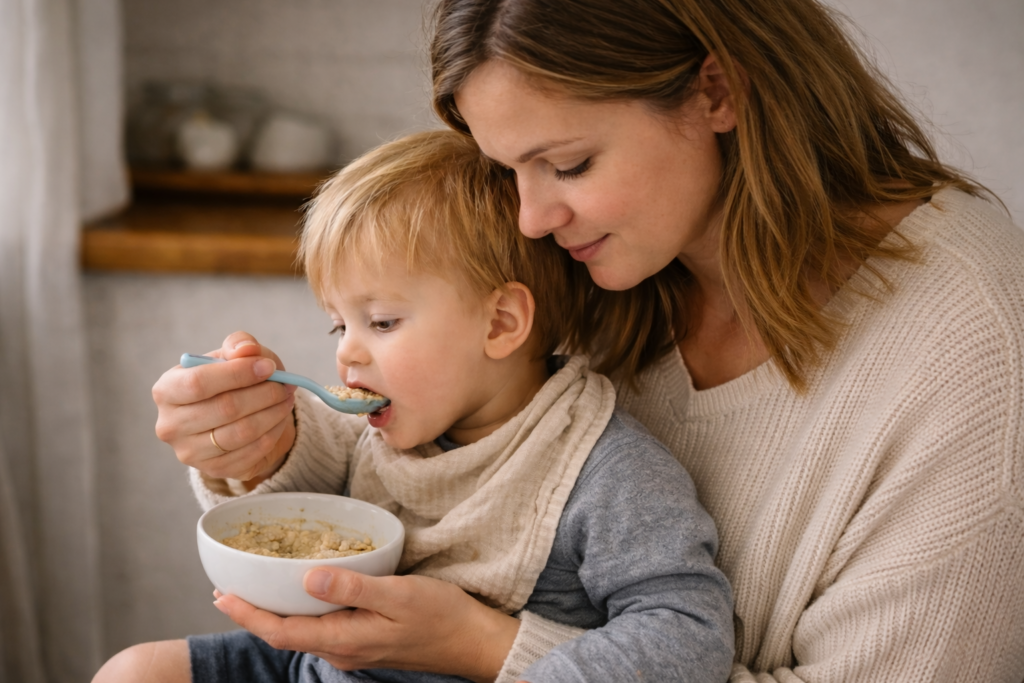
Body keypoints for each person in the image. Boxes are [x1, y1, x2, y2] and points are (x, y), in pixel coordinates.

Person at [113, 0, 1024, 681]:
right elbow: (442, 458)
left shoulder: (969, 344)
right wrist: (260, 447)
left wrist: (483, 645)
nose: (532, 217)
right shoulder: (603, 257)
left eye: (570, 163)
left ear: (717, 88)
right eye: (509, 168)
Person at [95, 130, 734, 683]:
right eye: (338, 327)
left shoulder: (605, 473)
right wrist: (259, 439)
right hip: (318, 665)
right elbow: (301, 473)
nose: (348, 356)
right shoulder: (390, 428)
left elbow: (689, 630)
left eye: (381, 321)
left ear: (501, 323)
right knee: (131, 672)